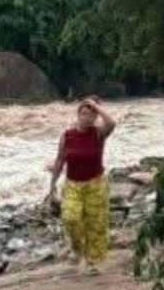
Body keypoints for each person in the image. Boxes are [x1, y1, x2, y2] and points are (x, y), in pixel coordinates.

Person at [47, 98, 116, 275]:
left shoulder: (99, 133)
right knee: (70, 217)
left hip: (96, 184)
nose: (87, 118)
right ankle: (77, 250)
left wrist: (96, 106)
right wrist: (52, 185)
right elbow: (60, 160)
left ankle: (93, 261)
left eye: (91, 115)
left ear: (95, 117)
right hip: (73, 185)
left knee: (95, 224)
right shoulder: (68, 135)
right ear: (78, 115)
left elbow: (112, 122)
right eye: (83, 114)